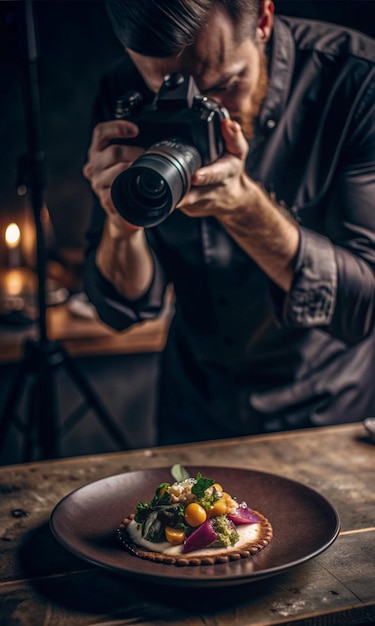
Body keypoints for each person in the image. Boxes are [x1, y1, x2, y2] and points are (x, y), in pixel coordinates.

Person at [82, 0, 375, 446]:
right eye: (171, 95)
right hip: (194, 414)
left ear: (263, 19)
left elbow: (364, 304)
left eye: (223, 85)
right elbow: (122, 309)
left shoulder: (356, 81)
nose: (203, 115)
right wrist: (121, 222)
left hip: (328, 419)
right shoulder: (123, 93)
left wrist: (243, 208)